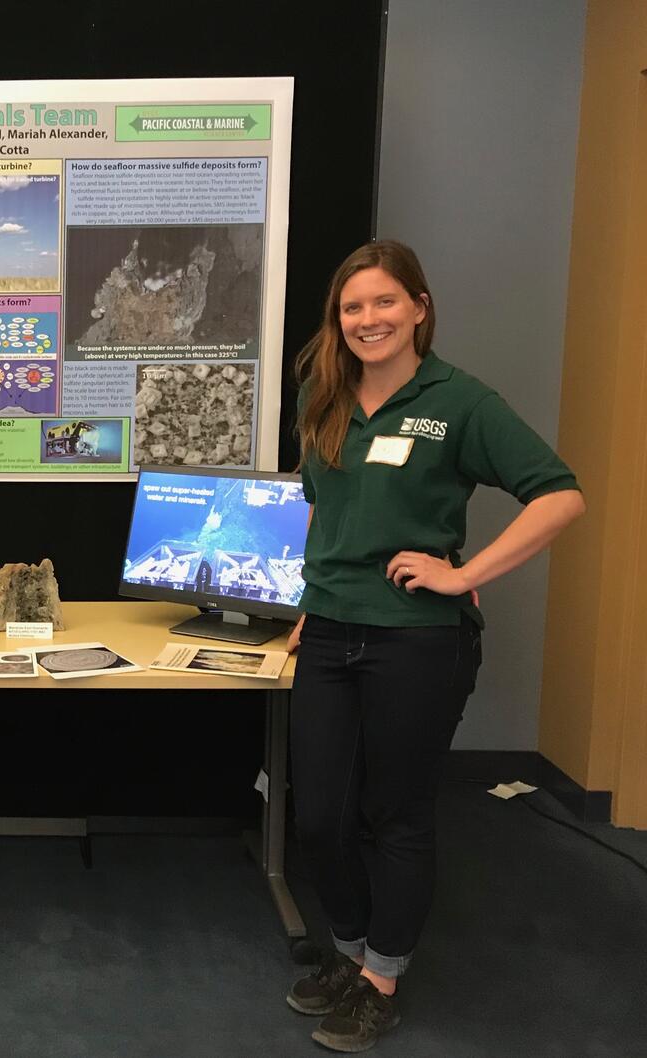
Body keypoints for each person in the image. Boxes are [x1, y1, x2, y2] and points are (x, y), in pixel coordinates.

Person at [284, 240, 583, 1052]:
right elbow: (321, 505)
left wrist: (465, 573)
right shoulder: (322, 391)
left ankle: (381, 978)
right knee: (317, 817)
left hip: (417, 640)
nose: (368, 319)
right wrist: (309, 597)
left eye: (385, 302)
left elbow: (559, 494)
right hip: (331, 628)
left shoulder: (459, 402)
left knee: (396, 814)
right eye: (353, 307)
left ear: (419, 307)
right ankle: (350, 953)